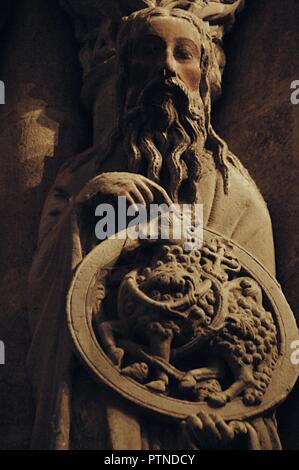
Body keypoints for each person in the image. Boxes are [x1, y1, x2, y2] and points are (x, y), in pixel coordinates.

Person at [28, 6, 280, 449]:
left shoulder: (234, 193)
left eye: (184, 54)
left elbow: (261, 329)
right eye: (148, 52)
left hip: (196, 407)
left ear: (203, 78)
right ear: (124, 74)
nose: (166, 67)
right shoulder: (81, 176)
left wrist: (237, 423)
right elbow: (42, 300)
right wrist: (87, 207)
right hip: (104, 394)